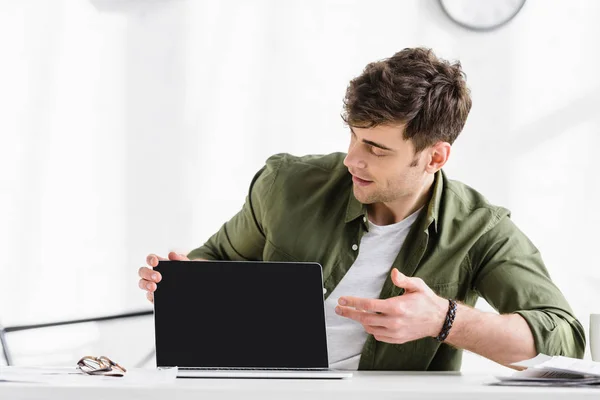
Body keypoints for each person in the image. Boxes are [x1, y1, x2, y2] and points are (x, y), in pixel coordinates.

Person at [137, 47, 585, 371]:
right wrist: (179, 283)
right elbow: (212, 261)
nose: (353, 158)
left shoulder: (481, 230)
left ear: (435, 157)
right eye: (352, 135)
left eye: (375, 147)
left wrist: (443, 320)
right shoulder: (288, 186)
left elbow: (563, 344)